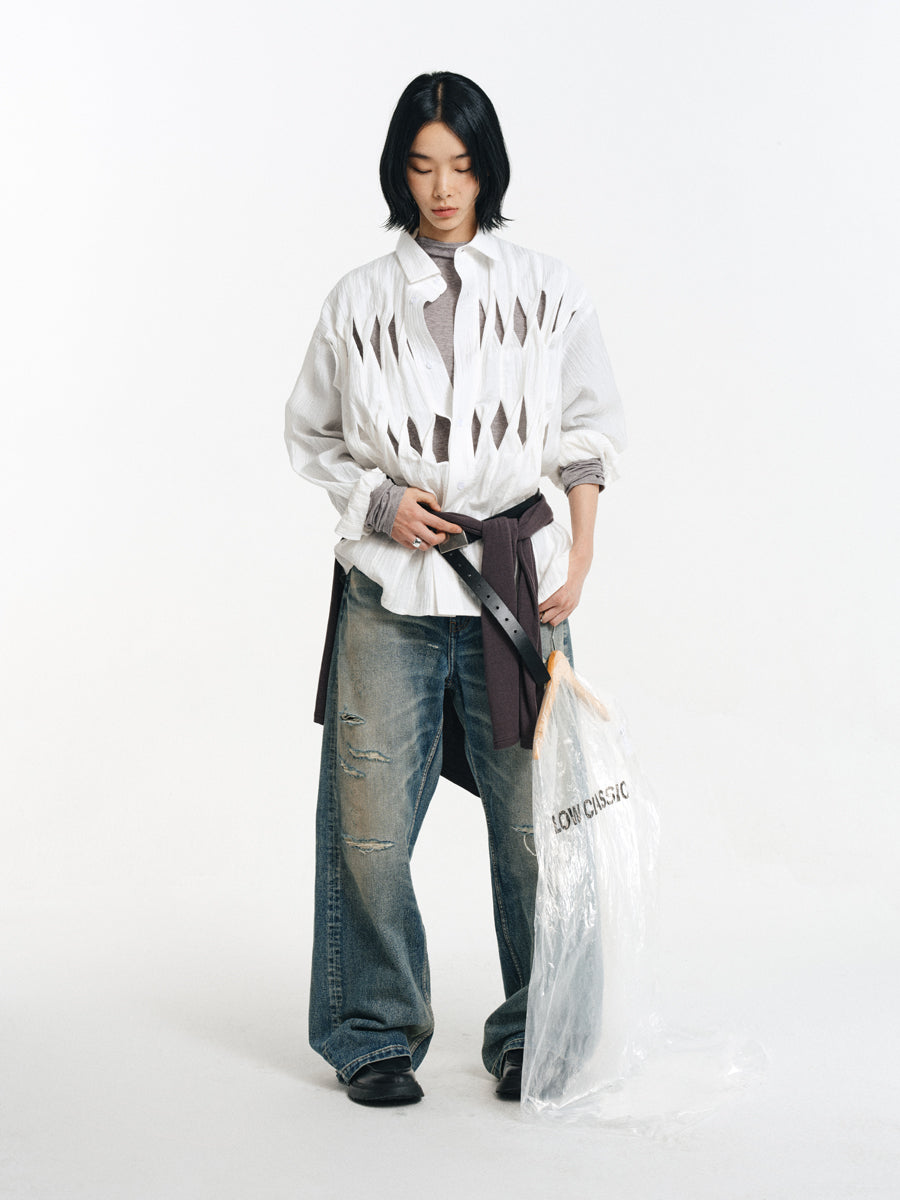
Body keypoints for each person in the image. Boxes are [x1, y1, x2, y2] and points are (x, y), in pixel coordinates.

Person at [285, 71, 625, 1106]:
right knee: (369, 823)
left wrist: (581, 552)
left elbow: (586, 429)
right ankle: (373, 1031)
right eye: (424, 166)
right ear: (400, 171)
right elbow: (313, 435)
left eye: (462, 167)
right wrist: (380, 502)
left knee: (536, 825)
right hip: (390, 592)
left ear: (488, 171)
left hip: (514, 585)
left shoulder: (548, 290)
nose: (442, 189)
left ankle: (540, 1031)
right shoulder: (356, 301)